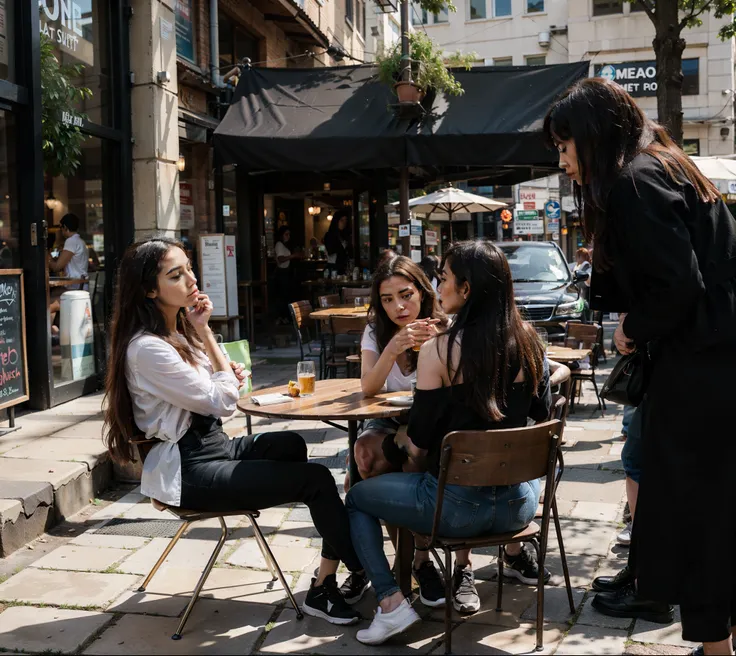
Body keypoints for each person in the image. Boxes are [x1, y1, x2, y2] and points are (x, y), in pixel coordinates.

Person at [545, 77, 736, 655]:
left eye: (564, 145)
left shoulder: (634, 181)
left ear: (592, 136)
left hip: (700, 371)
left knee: (696, 515)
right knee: (720, 512)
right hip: (720, 363)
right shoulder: (667, 164)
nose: (562, 160)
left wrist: (629, 329)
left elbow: (678, 288)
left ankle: (713, 647)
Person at [102, 236, 369, 625]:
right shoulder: (148, 349)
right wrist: (222, 378)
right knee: (316, 479)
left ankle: (342, 571)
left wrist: (205, 333)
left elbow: (222, 388)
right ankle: (350, 574)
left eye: (189, 268)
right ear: (148, 289)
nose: (191, 279)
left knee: (291, 444)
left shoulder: (179, 335)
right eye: (176, 275)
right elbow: (221, 400)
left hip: (216, 447)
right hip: (190, 469)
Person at [346, 240, 552, 645]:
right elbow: (542, 421)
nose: (438, 288)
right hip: (519, 507)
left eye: (442, 279)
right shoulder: (530, 339)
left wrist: (398, 444)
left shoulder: (440, 350)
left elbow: (420, 445)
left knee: (357, 496)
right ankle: (485, 561)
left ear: (467, 289)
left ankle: (391, 603)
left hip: (458, 512)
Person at [347, 256, 464, 612]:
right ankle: (409, 560)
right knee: (364, 454)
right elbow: (368, 387)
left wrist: (441, 342)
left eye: (405, 294)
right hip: (387, 419)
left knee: (414, 457)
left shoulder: (447, 325)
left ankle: (421, 561)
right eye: (386, 299)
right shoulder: (375, 331)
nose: (398, 306)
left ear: (422, 291)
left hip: (432, 423)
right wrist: (393, 346)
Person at [48, 213, 89, 285]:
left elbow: (57, 267)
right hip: (80, 285)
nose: (60, 230)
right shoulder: (80, 241)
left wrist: (47, 257)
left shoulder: (71, 241)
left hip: (74, 288)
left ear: (65, 227)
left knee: (49, 295)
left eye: (61, 228)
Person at [273, 226, 302, 325]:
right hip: (282, 272)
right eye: (286, 234)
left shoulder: (285, 245)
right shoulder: (279, 245)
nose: (288, 236)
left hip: (286, 272)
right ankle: (280, 317)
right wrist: (293, 256)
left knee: (286, 295)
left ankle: (285, 317)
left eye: (289, 234)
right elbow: (281, 259)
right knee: (282, 295)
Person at [324, 210, 352, 275]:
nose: (344, 223)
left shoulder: (345, 235)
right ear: (336, 221)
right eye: (342, 220)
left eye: (346, 220)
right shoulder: (330, 235)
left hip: (344, 268)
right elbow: (331, 251)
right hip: (334, 268)